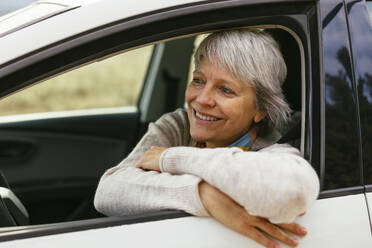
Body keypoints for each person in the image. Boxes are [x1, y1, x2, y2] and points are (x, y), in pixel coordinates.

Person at [94, 29, 319, 248]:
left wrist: (170, 158)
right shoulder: (178, 125)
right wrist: (202, 194)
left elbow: (292, 192)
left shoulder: (276, 148)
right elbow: (108, 191)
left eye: (225, 90)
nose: (201, 99)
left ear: (261, 109)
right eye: (199, 81)